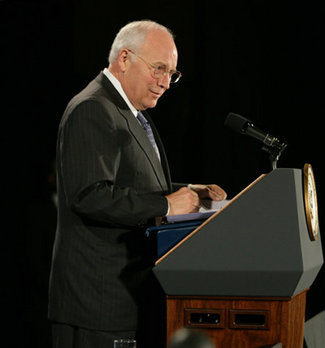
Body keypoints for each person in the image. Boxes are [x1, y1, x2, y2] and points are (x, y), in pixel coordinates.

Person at [48, 20, 227, 348]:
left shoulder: (128, 111)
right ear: (125, 59)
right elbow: (90, 195)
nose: (166, 83)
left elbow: (133, 181)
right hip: (97, 307)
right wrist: (169, 205)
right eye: (159, 69)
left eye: (171, 73)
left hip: (125, 300)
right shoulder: (92, 109)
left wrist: (187, 191)